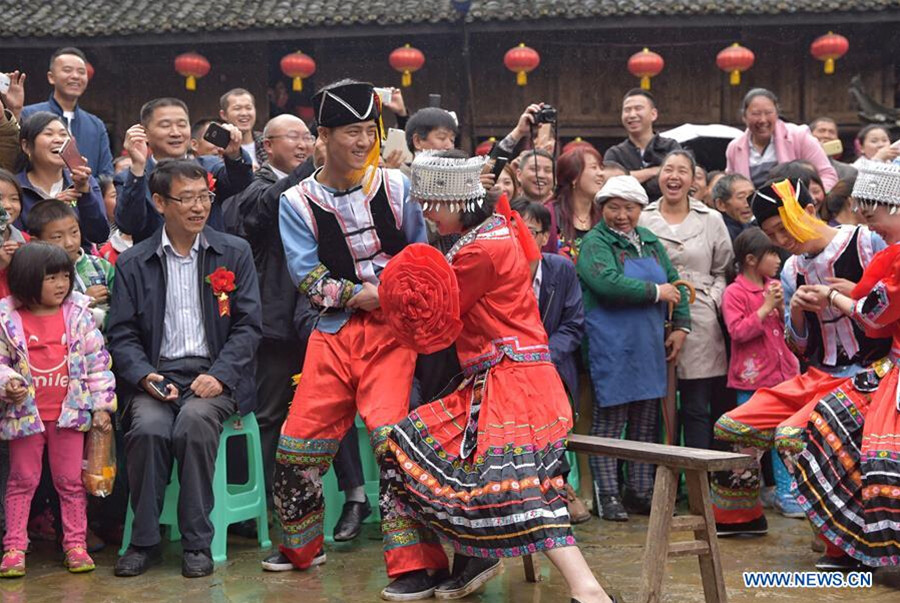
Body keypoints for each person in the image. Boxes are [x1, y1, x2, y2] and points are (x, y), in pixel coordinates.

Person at [380, 152, 615, 603]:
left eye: (432, 202)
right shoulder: (504, 230)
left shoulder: (478, 251)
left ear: (459, 200)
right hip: (512, 378)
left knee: (520, 489)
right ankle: (478, 556)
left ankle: (587, 588)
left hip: (510, 383)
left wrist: (388, 295)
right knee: (493, 478)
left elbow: (441, 314)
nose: (427, 212)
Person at [263, 81, 439, 599]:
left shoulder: (397, 187)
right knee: (298, 444)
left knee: (391, 440)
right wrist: (362, 294)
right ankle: (301, 547)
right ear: (323, 136)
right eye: (351, 132)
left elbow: (422, 257)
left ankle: (414, 566)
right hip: (333, 331)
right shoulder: (296, 200)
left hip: (393, 333)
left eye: (370, 131)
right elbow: (307, 275)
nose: (363, 142)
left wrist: (388, 295)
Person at [107, 159, 261, 578]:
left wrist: (221, 374)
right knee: (149, 429)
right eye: (187, 198)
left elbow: (248, 325)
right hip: (156, 377)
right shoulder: (134, 263)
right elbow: (120, 333)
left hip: (213, 376)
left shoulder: (233, 251)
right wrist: (144, 376)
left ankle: (197, 543)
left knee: (193, 424)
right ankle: (145, 541)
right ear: (159, 202)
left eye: (204, 197)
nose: (199, 208)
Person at [712, 178, 889, 537]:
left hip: (871, 372)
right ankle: (741, 521)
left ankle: (839, 537)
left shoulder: (865, 242)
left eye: (783, 227)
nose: (780, 240)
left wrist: (851, 295)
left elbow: (890, 309)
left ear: (809, 211)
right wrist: (794, 312)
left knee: (794, 437)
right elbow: (801, 348)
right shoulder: (792, 269)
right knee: (733, 425)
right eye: (770, 234)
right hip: (819, 375)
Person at [792, 159, 900, 570]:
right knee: (824, 430)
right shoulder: (886, 255)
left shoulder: (890, 256)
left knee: (882, 461)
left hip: (890, 376)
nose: (868, 222)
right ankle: (853, 548)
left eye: (873, 211)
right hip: (884, 372)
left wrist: (836, 299)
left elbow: (875, 313)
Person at [577, 175, 690, 520]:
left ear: (641, 209)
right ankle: (608, 494)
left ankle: (639, 491)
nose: (622, 215)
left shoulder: (649, 240)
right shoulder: (595, 243)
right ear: (602, 209)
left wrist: (682, 325)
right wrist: (656, 293)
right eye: (614, 207)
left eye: (629, 208)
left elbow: (676, 282)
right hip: (611, 343)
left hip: (648, 343)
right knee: (610, 421)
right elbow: (606, 282)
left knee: (645, 421)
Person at [0, 242, 115, 577]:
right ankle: (14, 547)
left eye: (65, 275)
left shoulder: (79, 316)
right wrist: (7, 383)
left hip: (70, 416)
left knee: (70, 482)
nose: (62, 283)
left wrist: (103, 407)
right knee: (22, 479)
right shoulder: (8, 320)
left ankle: (75, 544)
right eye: (51, 277)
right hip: (25, 417)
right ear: (26, 279)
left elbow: (98, 364)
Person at [639, 151, 734, 451]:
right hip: (652, 312)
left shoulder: (711, 219)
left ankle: (698, 482)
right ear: (659, 176)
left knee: (696, 405)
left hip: (700, 315)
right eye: (668, 170)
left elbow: (723, 269)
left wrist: (713, 297)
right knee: (656, 406)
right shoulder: (643, 217)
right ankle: (658, 482)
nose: (674, 177)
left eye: (682, 171)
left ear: (694, 179)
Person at [513, 199, 590, 524]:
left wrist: (541, 359)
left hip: (551, 366)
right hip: (509, 368)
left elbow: (574, 324)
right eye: (514, 231)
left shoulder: (561, 269)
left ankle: (560, 488)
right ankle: (530, 495)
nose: (521, 239)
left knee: (551, 417)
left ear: (545, 237)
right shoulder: (500, 270)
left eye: (530, 232)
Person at [720, 228, 800, 517]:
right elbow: (737, 332)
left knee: (785, 439)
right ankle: (743, 504)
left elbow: (791, 331)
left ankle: (787, 495)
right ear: (752, 259)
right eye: (771, 253)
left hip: (785, 377)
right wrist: (766, 308)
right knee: (749, 442)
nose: (778, 258)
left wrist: (780, 308)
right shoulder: (734, 292)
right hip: (752, 380)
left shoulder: (776, 285)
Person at [115, 97, 253, 243]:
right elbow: (128, 224)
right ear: (145, 133)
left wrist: (234, 154)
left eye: (182, 125)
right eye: (165, 125)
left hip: (208, 259)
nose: (176, 133)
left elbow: (241, 181)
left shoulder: (209, 166)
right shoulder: (129, 177)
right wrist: (137, 167)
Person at [15, 112, 109, 245]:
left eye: (64, 134)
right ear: (26, 146)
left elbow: (99, 234)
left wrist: (84, 193)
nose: (58, 139)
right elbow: (13, 240)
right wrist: (50, 210)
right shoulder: (15, 188)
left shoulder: (85, 182)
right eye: (48, 134)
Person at [20, 48, 113, 177]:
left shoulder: (96, 125)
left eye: (81, 72)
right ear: (51, 77)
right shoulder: (28, 115)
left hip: (87, 195)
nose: (75, 76)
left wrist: (84, 188)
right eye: (67, 70)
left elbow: (106, 173)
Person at [27, 200, 114, 330]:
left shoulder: (101, 266)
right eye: (57, 237)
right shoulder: (36, 276)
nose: (69, 243)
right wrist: (84, 301)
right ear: (36, 241)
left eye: (74, 232)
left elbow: (124, 304)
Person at [726, 88, 838, 190]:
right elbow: (731, 188)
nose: (763, 120)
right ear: (744, 117)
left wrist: (812, 199)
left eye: (768, 113)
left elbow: (827, 175)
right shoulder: (734, 148)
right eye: (756, 114)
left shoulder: (799, 136)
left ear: (777, 114)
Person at [603, 89, 680, 200]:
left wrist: (631, 176)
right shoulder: (615, 153)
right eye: (627, 110)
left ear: (653, 114)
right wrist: (654, 171)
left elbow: (677, 178)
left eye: (638, 108)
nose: (632, 115)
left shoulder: (671, 147)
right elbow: (611, 181)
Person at [543, 147, 604, 260]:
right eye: (594, 167)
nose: (601, 173)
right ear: (574, 177)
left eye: (601, 168)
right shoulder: (548, 214)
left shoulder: (604, 216)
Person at [219, 89, 266, 170]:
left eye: (249, 108)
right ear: (223, 115)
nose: (244, 113)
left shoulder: (266, 142)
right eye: (237, 108)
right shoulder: (218, 147)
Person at [808, 117, 856, 181]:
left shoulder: (847, 171)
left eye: (832, 132)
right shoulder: (798, 167)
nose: (826, 135)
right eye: (821, 131)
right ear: (809, 135)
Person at [712, 173, 755, 241]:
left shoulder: (756, 225)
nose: (748, 204)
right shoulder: (718, 234)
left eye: (752, 195)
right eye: (741, 197)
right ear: (721, 204)